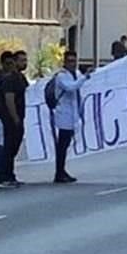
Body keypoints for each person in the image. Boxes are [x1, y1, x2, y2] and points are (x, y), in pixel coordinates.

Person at [54, 50, 93, 183]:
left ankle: (62, 170)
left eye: (74, 61)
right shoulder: (61, 76)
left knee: (66, 145)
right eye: (70, 61)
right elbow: (71, 87)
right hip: (64, 115)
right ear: (64, 62)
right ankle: (59, 172)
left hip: (73, 114)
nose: (72, 64)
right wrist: (84, 77)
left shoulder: (76, 74)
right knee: (62, 145)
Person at [0, 50, 28, 188]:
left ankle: (10, 175)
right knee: (9, 147)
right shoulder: (10, 79)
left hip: (20, 116)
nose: (24, 63)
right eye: (21, 60)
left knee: (14, 147)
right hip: (11, 118)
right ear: (15, 62)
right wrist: (15, 118)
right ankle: (4, 176)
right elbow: (9, 99)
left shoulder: (21, 78)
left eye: (25, 60)